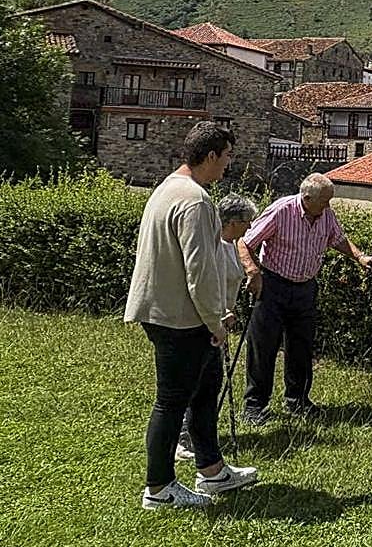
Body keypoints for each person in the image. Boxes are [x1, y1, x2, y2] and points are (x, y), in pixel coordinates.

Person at [124, 121, 258, 509]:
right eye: (227, 156)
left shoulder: (167, 187)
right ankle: (160, 488)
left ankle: (212, 472)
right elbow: (200, 271)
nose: (228, 165)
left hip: (162, 309)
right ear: (211, 155)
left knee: (205, 389)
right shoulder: (197, 201)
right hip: (180, 317)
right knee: (171, 401)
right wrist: (216, 322)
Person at [238, 173, 372, 423]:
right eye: (325, 201)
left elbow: (339, 239)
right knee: (264, 346)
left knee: (301, 347)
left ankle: (298, 401)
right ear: (307, 197)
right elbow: (244, 242)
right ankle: (254, 406)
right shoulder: (281, 211)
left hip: (305, 288)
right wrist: (252, 270)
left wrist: (359, 256)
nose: (328, 206)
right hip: (273, 286)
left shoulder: (325, 214)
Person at [176, 193, 258, 461]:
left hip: (220, 321)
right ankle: (182, 438)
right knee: (197, 381)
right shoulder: (217, 246)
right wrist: (221, 313)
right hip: (208, 321)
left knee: (209, 382)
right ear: (233, 221)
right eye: (247, 221)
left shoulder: (231, 244)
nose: (250, 226)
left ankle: (198, 436)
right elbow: (206, 284)